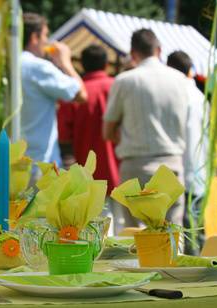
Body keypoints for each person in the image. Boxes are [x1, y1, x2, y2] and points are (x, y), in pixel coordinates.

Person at [103, 29, 189, 228]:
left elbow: (107, 131)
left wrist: (128, 137)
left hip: (135, 165)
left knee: (136, 238)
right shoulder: (180, 80)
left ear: (133, 54)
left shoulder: (125, 81)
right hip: (172, 163)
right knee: (173, 232)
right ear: (159, 49)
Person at [57, 45, 121, 234]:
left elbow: (63, 134)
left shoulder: (75, 93)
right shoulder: (117, 86)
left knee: (97, 226)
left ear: (82, 65)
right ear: (106, 64)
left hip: (87, 169)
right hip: (121, 166)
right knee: (126, 227)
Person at [20, 12, 87, 165]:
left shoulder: (6, 64)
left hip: (10, 159)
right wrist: (65, 62)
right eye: (45, 35)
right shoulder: (38, 66)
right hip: (40, 161)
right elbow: (81, 94)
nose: (47, 41)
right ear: (34, 38)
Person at [167, 50, 208, 254]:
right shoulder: (200, 96)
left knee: (182, 233)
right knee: (197, 230)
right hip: (200, 170)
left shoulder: (174, 93)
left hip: (180, 169)